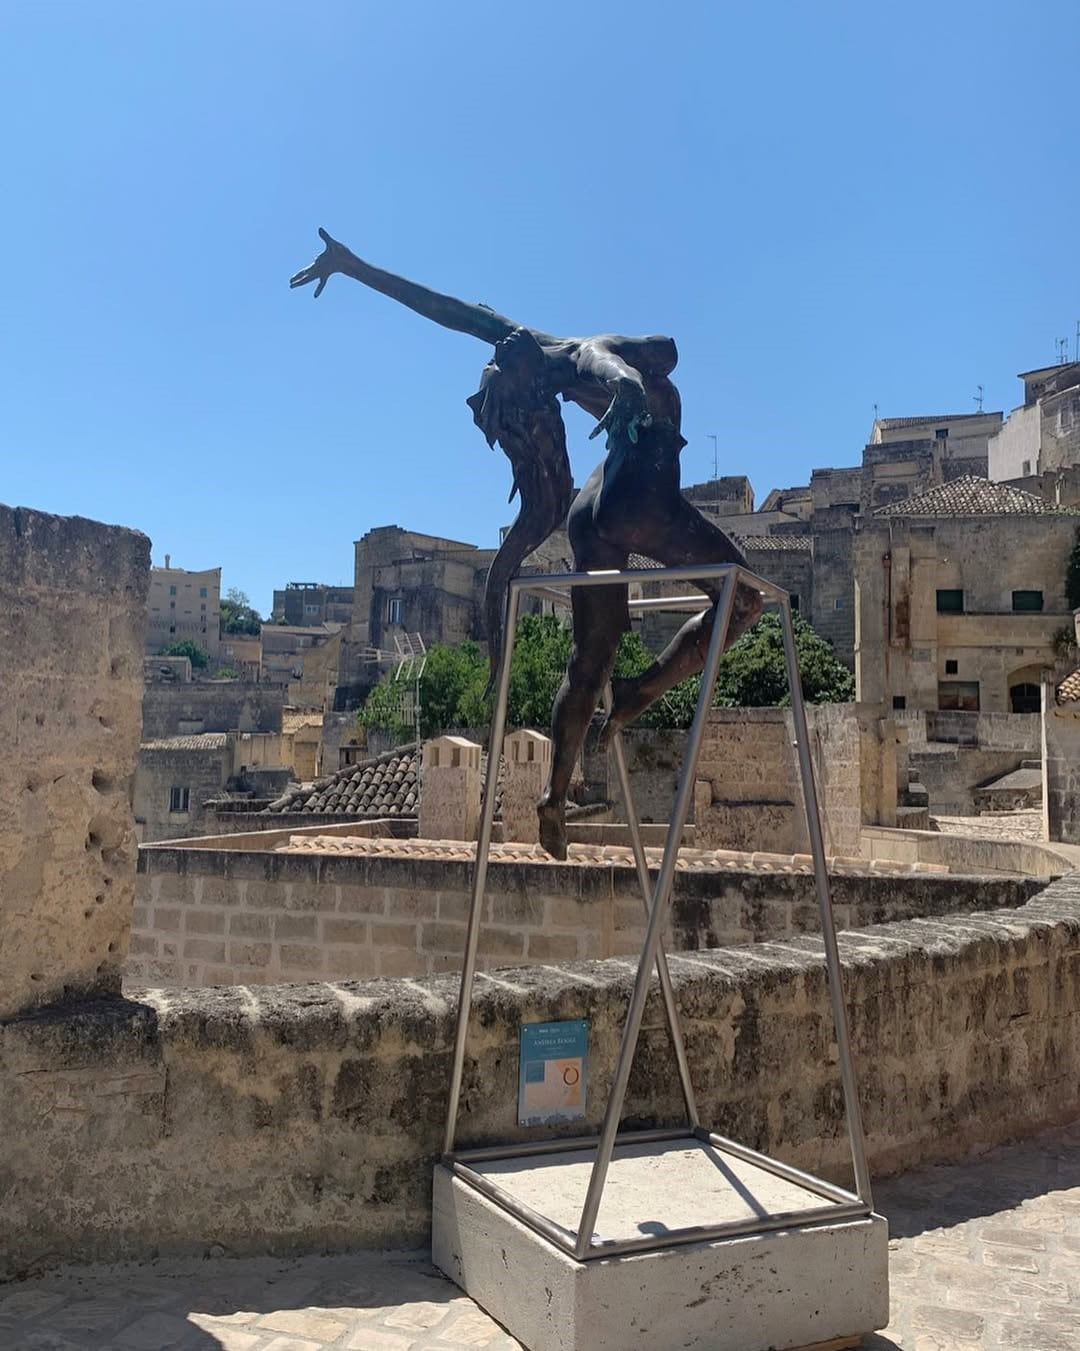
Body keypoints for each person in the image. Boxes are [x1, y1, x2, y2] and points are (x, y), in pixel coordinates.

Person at [290, 230, 762, 858]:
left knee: (588, 659)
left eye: (501, 355)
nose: (502, 346)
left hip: (590, 513)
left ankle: (555, 798)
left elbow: (451, 311)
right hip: (642, 499)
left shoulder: (537, 349)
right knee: (746, 599)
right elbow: (604, 364)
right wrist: (624, 383)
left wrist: (354, 268)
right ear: (532, 381)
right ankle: (643, 690)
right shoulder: (582, 356)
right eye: (505, 360)